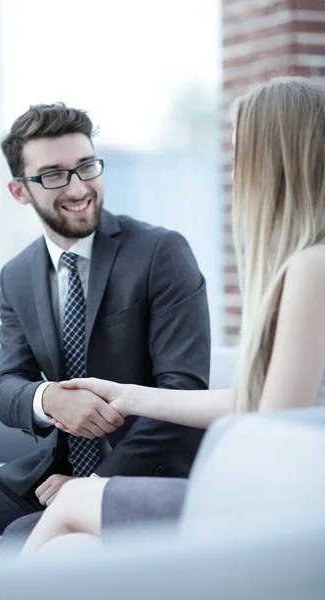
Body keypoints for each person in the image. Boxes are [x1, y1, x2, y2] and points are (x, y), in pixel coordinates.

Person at [19, 76, 325, 555]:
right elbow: (262, 401)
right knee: (67, 538)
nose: (234, 174)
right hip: (282, 493)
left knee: (72, 502)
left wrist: (211, 480)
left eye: (240, 154)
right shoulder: (308, 263)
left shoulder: (313, 266)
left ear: (276, 162)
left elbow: (273, 421)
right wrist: (129, 396)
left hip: (281, 506)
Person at [0, 102, 210, 542]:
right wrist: (48, 398)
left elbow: (183, 393)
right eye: (53, 174)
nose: (78, 188)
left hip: (144, 476)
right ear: (20, 191)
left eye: (86, 167)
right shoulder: (17, 274)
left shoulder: (160, 252)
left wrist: (91, 486)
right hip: (49, 475)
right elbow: (7, 385)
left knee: (22, 539)